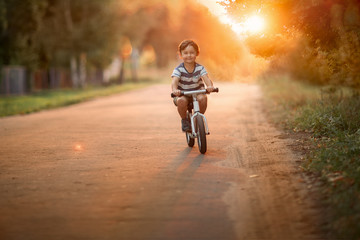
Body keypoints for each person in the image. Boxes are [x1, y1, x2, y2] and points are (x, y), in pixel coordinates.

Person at [171, 39, 215, 132]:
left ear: (197, 53)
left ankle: (198, 119)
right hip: (183, 94)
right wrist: (175, 90)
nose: (189, 55)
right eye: (185, 53)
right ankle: (184, 120)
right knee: (181, 101)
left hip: (198, 93)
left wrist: (210, 86)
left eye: (192, 52)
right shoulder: (178, 70)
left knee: (203, 98)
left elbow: (206, 78)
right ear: (180, 55)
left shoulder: (200, 68)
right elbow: (174, 81)